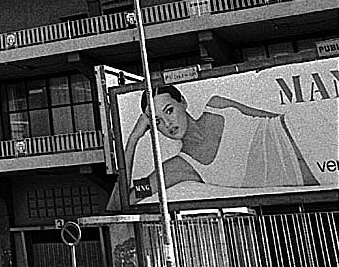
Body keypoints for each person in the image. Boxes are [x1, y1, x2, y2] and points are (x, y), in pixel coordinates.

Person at [124, 85, 318, 199]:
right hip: (312, 183)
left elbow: (277, 119)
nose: (167, 124)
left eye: (169, 110)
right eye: (157, 121)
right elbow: (126, 200)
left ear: (182, 102)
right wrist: (133, 139)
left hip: (311, 136)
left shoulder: (218, 105)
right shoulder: (179, 167)